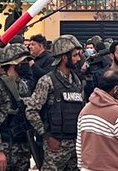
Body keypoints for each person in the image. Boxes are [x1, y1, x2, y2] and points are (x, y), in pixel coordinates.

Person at [25, 35, 85, 171]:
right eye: (74, 55)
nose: (78, 59)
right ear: (64, 57)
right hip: (56, 145)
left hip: (75, 144)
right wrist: (46, 135)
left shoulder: (76, 82)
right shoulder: (47, 81)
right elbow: (31, 110)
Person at [76, 70, 118, 170]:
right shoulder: (117, 113)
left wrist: (82, 167)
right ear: (116, 89)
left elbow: (80, 144)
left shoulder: (85, 110)